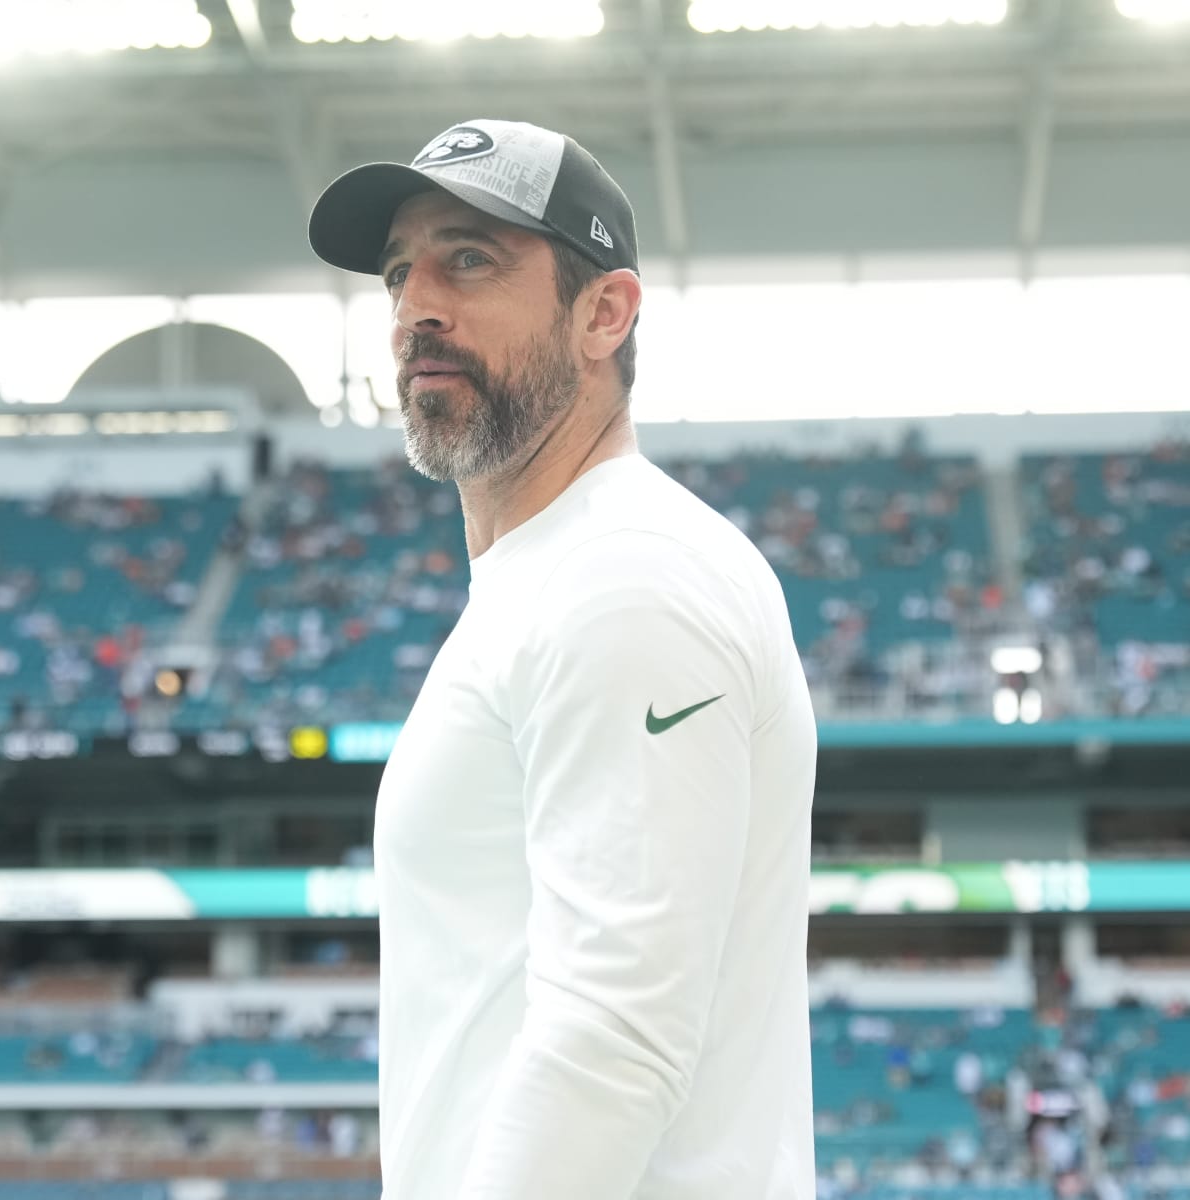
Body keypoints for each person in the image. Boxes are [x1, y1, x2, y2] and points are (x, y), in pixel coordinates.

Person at [307, 118, 817, 1199]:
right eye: (399, 273)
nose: (415, 308)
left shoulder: (628, 575)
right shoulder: (553, 577)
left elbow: (615, 1034)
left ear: (605, 313)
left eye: (470, 259)